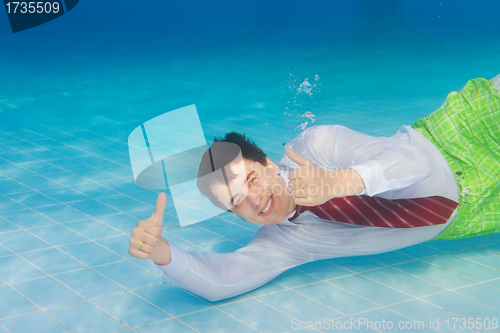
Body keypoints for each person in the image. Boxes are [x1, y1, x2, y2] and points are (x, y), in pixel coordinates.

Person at [128, 76, 500, 301]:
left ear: (268, 164)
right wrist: (161, 252)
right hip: (470, 215)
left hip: (462, 138)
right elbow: (223, 279)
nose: (255, 200)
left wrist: (341, 181)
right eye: (237, 203)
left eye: (252, 181)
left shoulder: (317, 147)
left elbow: (416, 163)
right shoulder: (283, 241)